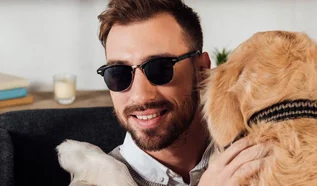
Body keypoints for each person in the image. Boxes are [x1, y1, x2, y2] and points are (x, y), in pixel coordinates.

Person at [89, 0, 271, 185]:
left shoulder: (262, 156)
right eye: (118, 73)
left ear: (201, 70)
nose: (140, 95)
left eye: (160, 68)